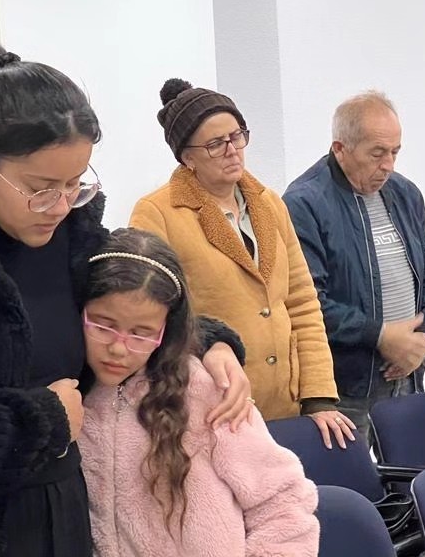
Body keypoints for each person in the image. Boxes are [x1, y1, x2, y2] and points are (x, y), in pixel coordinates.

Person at [0, 47, 251, 557]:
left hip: (65, 516)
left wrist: (208, 343)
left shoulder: (73, 241)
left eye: (74, 184)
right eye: (41, 189)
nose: (60, 206)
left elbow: (135, 307)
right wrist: (41, 420)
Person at [130, 79, 354, 449]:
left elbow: (301, 301)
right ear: (187, 157)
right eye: (216, 144)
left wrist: (318, 396)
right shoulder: (157, 213)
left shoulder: (269, 202)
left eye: (237, 136)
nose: (232, 150)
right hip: (215, 405)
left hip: (285, 402)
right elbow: (154, 315)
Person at [79, 228, 320, 557]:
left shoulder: (205, 389)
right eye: (104, 325)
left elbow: (283, 502)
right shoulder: (69, 393)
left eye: (142, 333)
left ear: (167, 331)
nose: (119, 349)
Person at [283, 90, 425, 442]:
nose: (388, 165)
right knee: (351, 477)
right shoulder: (304, 204)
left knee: (408, 473)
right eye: (377, 153)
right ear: (340, 149)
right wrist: (381, 336)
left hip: (408, 376)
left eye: (395, 152)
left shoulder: (405, 194)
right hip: (346, 389)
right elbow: (307, 301)